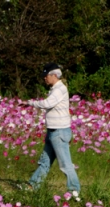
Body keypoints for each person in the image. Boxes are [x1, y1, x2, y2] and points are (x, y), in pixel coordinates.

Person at [23, 63, 81, 193]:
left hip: (59, 132)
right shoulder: (55, 89)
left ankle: (74, 190)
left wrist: (30, 103)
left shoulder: (59, 89)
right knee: (45, 161)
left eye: (46, 75)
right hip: (53, 130)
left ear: (54, 75)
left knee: (66, 164)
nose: (44, 78)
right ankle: (32, 186)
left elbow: (48, 103)